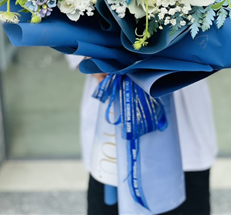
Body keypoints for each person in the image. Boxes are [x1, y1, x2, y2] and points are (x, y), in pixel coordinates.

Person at [67, 56, 217, 215]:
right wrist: (90, 59)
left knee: (188, 199)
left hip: (183, 104)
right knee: (108, 190)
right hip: (112, 103)